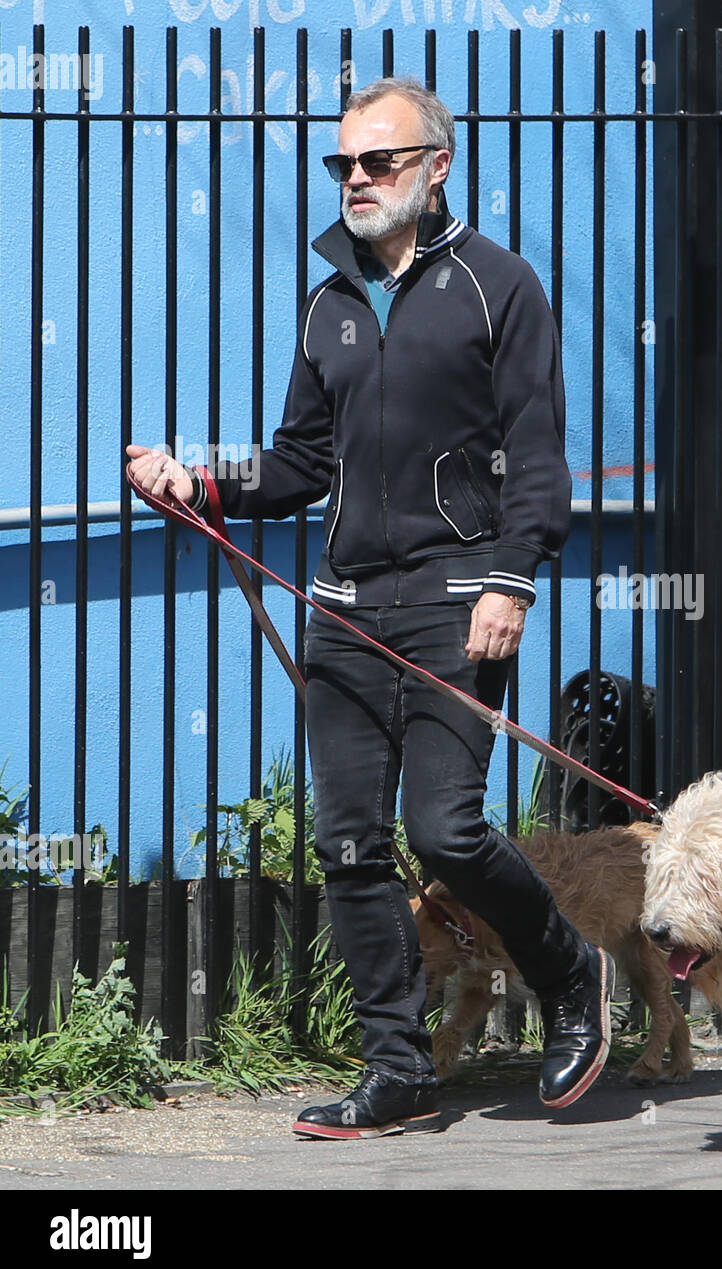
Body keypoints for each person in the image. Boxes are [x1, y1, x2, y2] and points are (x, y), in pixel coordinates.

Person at [125, 76, 613, 1138]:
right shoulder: (329, 299)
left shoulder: (500, 287)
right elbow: (302, 461)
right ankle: (397, 1071)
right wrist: (196, 483)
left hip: (456, 600)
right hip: (346, 607)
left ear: (437, 167)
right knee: (349, 844)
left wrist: (512, 577)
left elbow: (537, 457)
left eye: (377, 161)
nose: (355, 180)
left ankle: (572, 973)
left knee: (445, 831)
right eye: (342, 164)